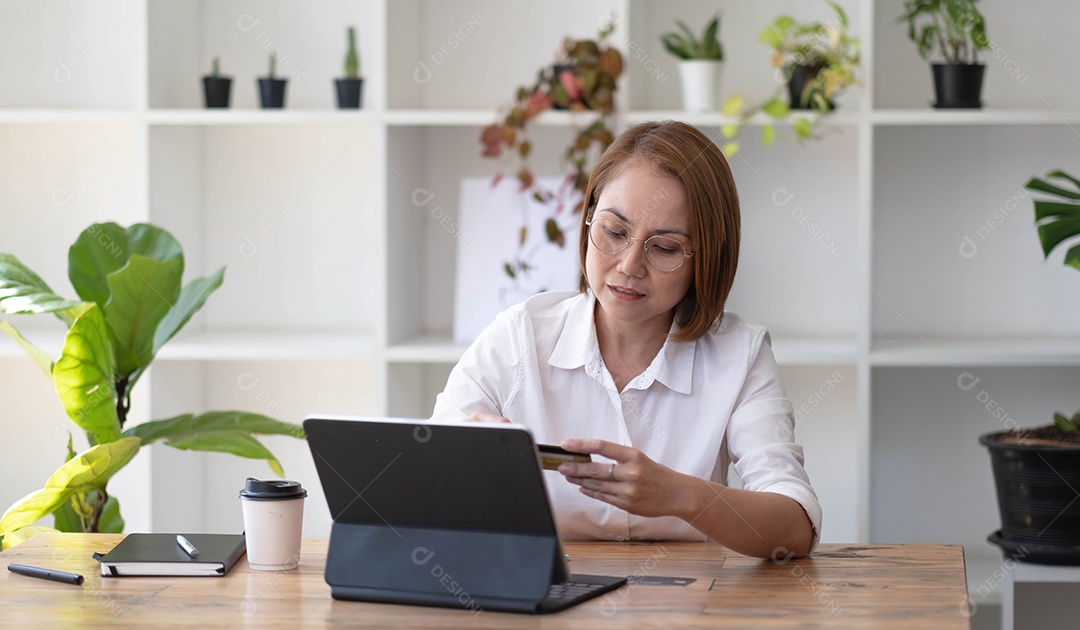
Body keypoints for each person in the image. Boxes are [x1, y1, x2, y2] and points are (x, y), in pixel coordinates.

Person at [432, 120, 820, 558]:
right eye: (614, 233)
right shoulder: (519, 335)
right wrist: (462, 463)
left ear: (706, 258)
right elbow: (421, 481)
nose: (629, 265)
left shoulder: (740, 354)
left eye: (665, 248)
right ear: (588, 220)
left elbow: (794, 526)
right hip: (547, 597)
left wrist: (679, 495)